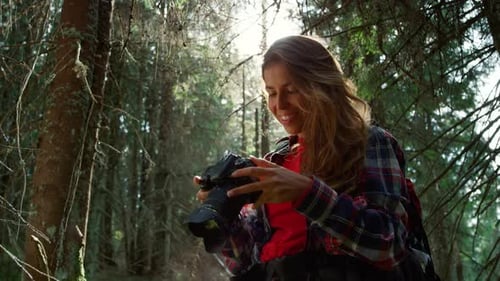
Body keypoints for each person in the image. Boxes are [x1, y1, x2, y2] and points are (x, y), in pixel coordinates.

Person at [194, 35, 426, 281]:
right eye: (271, 93)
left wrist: (307, 194)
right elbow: (243, 262)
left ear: (322, 85)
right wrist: (224, 216)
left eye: (291, 90)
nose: (280, 104)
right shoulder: (276, 162)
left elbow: (390, 243)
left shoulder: (366, 142)